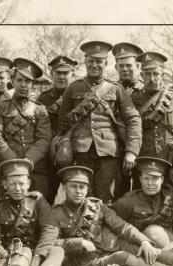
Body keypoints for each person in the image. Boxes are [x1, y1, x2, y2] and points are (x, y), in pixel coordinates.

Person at [56, 41, 142, 202]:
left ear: (106, 63)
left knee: (107, 199)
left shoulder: (116, 89)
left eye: (99, 61)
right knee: (81, 198)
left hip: (109, 154)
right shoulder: (73, 88)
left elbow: (133, 119)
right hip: (79, 153)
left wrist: (131, 151)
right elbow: (62, 123)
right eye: (91, 61)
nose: (95, 65)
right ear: (85, 62)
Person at [53, 166, 173, 266]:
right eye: (73, 186)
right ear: (65, 188)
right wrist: (78, 242)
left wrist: (144, 241)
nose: (78, 191)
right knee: (121, 257)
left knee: (148, 250)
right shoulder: (55, 213)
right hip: (88, 261)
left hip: (112, 246)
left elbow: (122, 226)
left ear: (86, 189)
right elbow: (53, 243)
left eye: (82, 187)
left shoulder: (96, 205)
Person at [0, 159, 63, 266]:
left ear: (28, 184)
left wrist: (38, 255)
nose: (17, 188)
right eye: (12, 184)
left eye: (21, 184)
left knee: (57, 251)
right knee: (20, 258)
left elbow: (50, 228)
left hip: (37, 250)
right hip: (13, 254)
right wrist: (7, 255)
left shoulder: (37, 200)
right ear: (4, 185)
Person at [0, 57, 52, 200]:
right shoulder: (2, 107)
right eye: (19, 80)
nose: (23, 85)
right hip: (8, 168)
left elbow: (44, 139)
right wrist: (14, 163)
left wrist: (28, 162)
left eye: (28, 81)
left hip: (35, 169)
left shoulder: (39, 109)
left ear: (33, 84)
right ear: (12, 81)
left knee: (37, 209)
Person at [111, 157, 173, 256]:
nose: (150, 183)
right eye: (146, 178)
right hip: (141, 249)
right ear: (140, 179)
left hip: (171, 247)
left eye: (155, 178)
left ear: (162, 179)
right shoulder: (130, 199)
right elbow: (109, 214)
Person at [131, 52, 173, 161]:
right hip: (142, 156)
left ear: (162, 75)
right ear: (142, 75)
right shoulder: (132, 99)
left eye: (156, 74)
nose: (152, 78)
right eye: (147, 74)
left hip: (169, 157)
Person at [38, 55, 78, 202]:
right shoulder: (42, 99)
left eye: (66, 73)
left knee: (77, 196)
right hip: (50, 155)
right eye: (58, 73)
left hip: (75, 153)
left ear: (73, 74)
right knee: (47, 196)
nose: (62, 77)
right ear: (51, 74)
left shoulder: (81, 97)